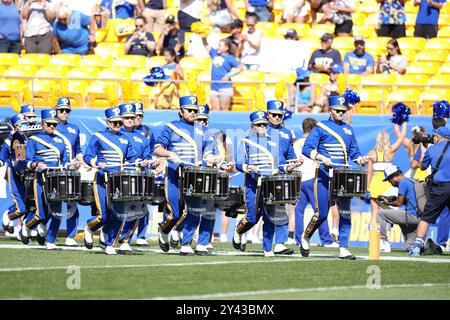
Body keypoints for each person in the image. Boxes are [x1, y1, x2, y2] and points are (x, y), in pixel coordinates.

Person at [300, 95, 370, 260]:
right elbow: (306, 148)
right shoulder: (320, 127)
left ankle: (344, 248)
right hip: (324, 175)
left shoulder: (348, 129)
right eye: (337, 110)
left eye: (343, 111)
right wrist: (321, 158)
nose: (340, 113)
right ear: (330, 110)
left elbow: (354, 152)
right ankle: (306, 236)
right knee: (322, 214)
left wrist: (360, 159)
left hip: (343, 177)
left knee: (345, 212)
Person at [233, 111, 302, 256]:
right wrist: (249, 167)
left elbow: (280, 165)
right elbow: (238, 164)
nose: (262, 127)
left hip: (270, 184)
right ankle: (239, 230)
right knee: (252, 217)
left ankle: (267, 249)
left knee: (270, 217)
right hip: (253, 185)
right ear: (252, 126)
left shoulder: (273, 141)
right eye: (259, 125)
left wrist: (290, 167)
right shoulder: (245, 141)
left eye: (264, 124)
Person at [153, 96, 214, 255]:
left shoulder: (204, 130)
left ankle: (186, 243)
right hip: (175, 174)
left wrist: (213, 158)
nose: (194, 113)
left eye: (195, 110)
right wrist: (169, 154)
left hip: (194, 176)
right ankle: (164, 229)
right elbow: (158, 149)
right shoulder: (172, 127)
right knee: (175, 213)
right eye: (190, 110)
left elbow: (209, 153)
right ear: (181, 111)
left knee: (194, 210)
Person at [83, 106, 142, 255]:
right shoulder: (98, 136)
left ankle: (110, 244)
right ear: (107, 122)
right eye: (113, 122)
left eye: (118, 122)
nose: (117, 125)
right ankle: (90, 228)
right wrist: (96, 163)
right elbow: (87, 156)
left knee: (117, 214)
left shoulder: (124, 138)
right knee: (103, 215)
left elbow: (132, 157)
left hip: (118, 181)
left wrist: (139, 162)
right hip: (102, 179)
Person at [20, 109, 80, 249]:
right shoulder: (33, 139)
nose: (52, 127)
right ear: (42, 124)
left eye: (54, 124)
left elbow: (65, 161)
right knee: (40, 215)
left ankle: (51, 241)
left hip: (56, 179)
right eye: (49, 124)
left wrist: (72, 166)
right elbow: (25, 161)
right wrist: (36, 164)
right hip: (40, 178)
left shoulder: (60, 140)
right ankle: (26, 225)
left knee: (57, 212)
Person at [116, 103, 155, 252]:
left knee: (135, 208)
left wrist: (151, 164)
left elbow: (147, 156)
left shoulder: (142, 137)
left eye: (134, 117)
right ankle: (107, 234)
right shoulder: (112, 134)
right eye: (128, 117)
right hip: (117, 177)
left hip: (135, 177)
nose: (132, 119)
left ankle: (125, 239)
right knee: (114, 210)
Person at [266, 100, 303, 254]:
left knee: (281, 209)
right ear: (267, 114)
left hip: (281, 176)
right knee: (256, 214)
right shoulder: (261, 130)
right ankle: (240, 230)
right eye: (274, 114)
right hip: (263, 174)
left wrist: (295, 163)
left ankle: (279, 243)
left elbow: (290, 155)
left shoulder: (287, 133)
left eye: (279, 115)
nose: (277, 117)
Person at [294, 118, 337, 247]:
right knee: (320, 211)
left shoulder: (296, 143)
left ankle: (298, 239)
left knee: (299, 211)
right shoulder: (316, 143)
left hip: (300, 179)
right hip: (313, 178)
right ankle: (326, 240)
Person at [410, 126, 450, 256]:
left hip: (439, 189)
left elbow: (422, 167)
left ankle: (417, 244)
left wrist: (423, 149)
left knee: (426, 217)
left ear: (438, 136)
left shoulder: (432, 150)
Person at [53, 97, 87, 247]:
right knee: (53, 204)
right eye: (62, 110)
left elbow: (78, 150)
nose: (64, 113)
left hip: (70, 170)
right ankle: (49, 235)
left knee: (72, 203)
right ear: (56, 111)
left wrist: (82, 161)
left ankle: (70, 236)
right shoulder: (49, 126)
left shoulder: (74, 129)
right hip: (53, 169)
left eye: (67, 110)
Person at [367, 122, 406, 231]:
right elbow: (402, 138)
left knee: (374, 214)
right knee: (387, 213)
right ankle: (385, 239)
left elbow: (369, 172)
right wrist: (399, 125)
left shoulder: (371, 153)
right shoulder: (390, 151)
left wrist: (367, 187)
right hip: (388, 187)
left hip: (375, 185)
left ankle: (374, 239)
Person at [377, 165, 422, 252]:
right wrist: (392, 199)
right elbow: (409, 201)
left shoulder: (403, 182)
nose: (390, 182)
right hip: (419, 217)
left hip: (411, 216)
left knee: (381, 214)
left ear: (394, 176)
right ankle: (429, 247)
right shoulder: (411, 180)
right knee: (409, 247)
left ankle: (383, 242)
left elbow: (398, 203)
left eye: (389, 180)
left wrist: (387, 202)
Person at [0, 113, 30, 235]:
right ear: (15, 126)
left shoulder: (29, 136)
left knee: (28, 203)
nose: (23, 126)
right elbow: (8, 151)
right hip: (15, 171)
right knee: (21, 208)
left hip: (27, 173)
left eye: (25, 124)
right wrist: (1, 159)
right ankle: (8, 216)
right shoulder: (14, 137)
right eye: (20, 124)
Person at [202, 36, 244, 111]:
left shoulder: (230, 57)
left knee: (224, 110)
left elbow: (240, 67)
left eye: (220, 46)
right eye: (218, 45)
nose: (218, 47)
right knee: (215, 110)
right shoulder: (214, 53)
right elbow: (205, 44)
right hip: (214, 87)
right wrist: (203, 36)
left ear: (226, 48)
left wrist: (228, 76)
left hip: (225, 87)